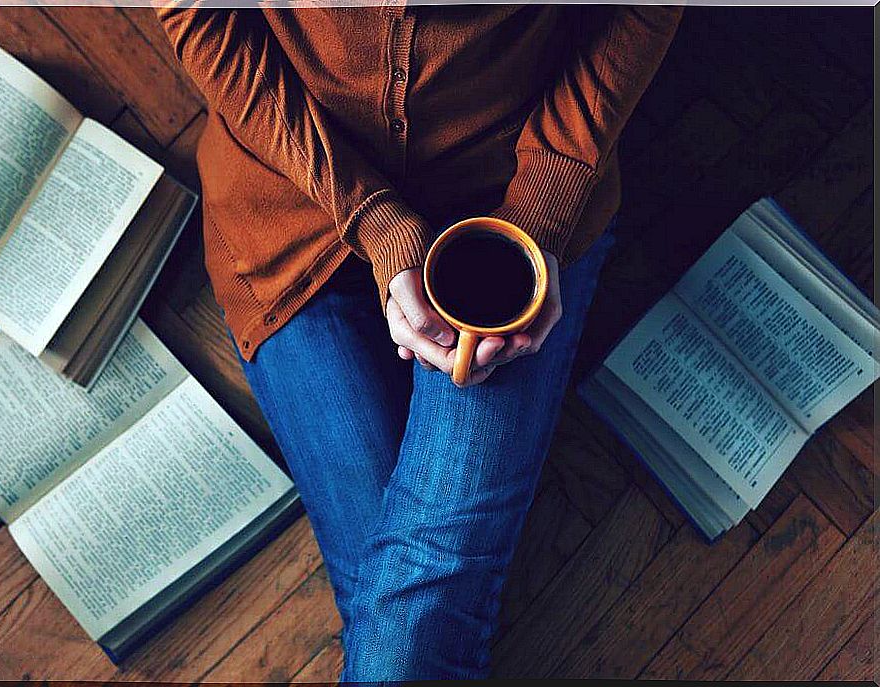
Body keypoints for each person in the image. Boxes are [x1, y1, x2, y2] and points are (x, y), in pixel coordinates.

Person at [158, 4, 682, 680]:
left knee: (405, 635)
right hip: (290, 205)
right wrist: (373, 219)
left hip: (503, 209)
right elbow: (199, 17)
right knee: (409, 627)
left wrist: (541, 207)